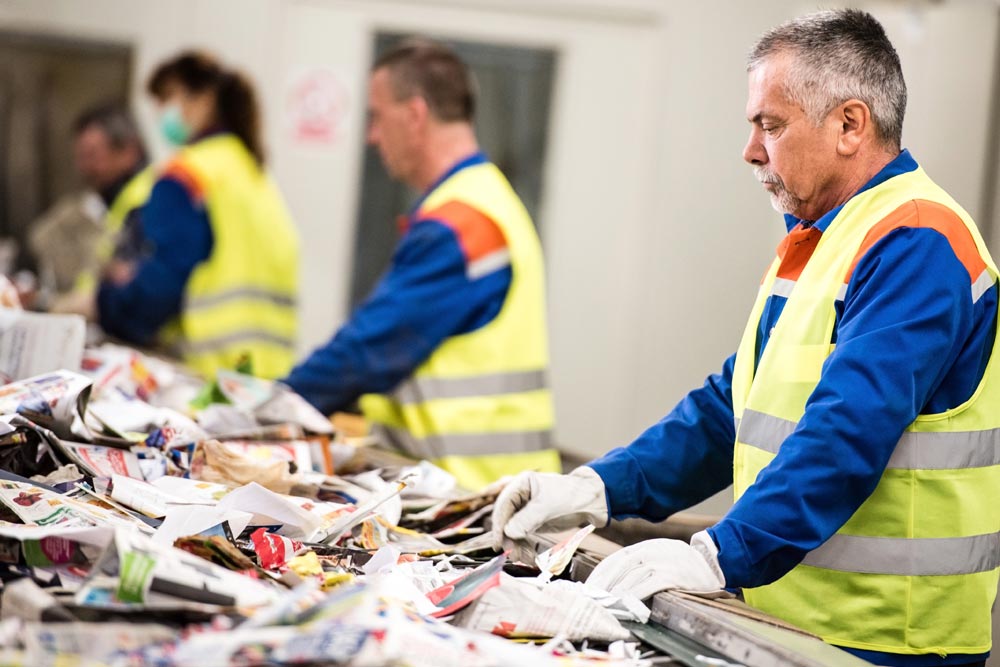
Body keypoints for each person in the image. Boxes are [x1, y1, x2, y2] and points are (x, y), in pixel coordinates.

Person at [491, 10, 999, 667]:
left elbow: (847, 431)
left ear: (850, 125)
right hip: (788, 626)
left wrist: (720, 554)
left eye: (771, 125)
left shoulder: (917, 241)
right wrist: (597, 487)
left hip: (883, 641)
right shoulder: (818, 240)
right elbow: (729, 408)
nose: (751, 150)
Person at [284, 39, 559, 490]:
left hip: (473, 496)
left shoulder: (462, 222)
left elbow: (368, 349)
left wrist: (274, 407)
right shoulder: (485, 199)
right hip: (493, 488)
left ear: (414, 115)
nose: (372, 136)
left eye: (377, 117)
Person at [97, 51, 300, 380]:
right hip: (260, 378)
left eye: (168, 98)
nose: (161, 112)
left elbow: (161, 283)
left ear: (204, 98)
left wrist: (103, 304)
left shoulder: (188, 175)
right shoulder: (254, 175)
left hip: (202, 378)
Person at [31, 104, 153, 311]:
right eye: (80, 157)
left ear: (128, 151)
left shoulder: (148, 201)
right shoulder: (117, 203)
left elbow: (132, 279)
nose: (84, 167)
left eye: (92, 155)